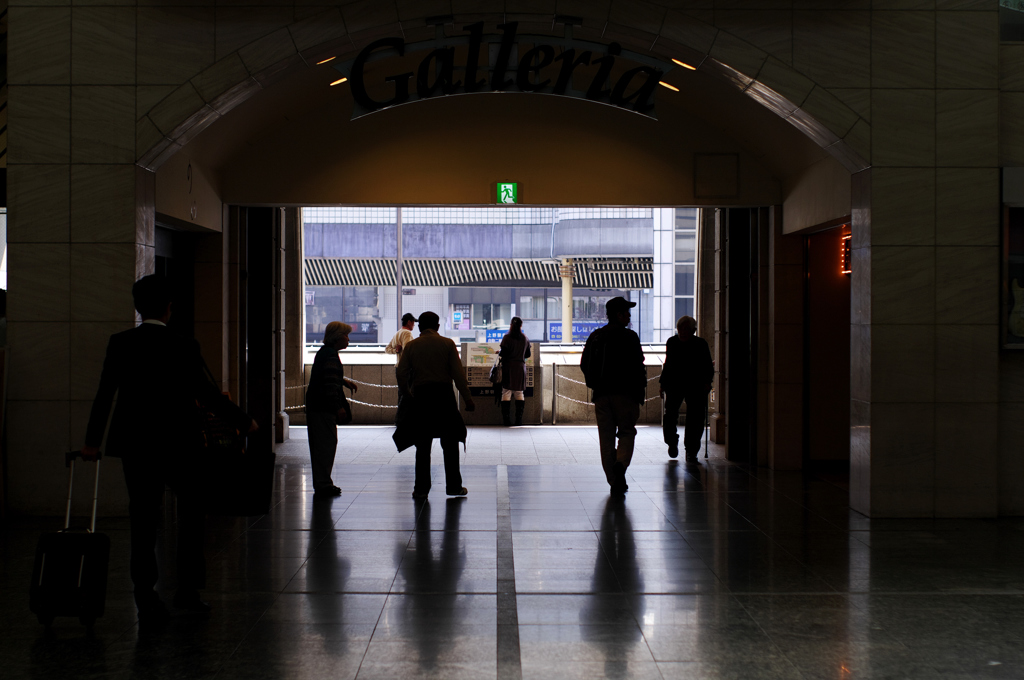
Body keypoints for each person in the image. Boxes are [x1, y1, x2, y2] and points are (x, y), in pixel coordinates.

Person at [82, 275, 257, 624]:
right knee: (191, 516)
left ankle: (145, 596)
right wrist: (242, 421)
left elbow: (105, 394)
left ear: (137, 306)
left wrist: (92, 441)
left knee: (143, 519)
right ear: (168, 307)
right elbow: (206, 392)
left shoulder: (120, 343)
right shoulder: (184, 345)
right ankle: (188, 591)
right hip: (181, 444)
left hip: (136, 445)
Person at [394, 311, 476, 499]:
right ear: (438, 327)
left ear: (420, 326)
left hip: (421, 398)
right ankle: (454, 486)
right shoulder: (447, 344)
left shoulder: (412, 346)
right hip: (444, 397)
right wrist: (467, 399)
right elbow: (458, 375)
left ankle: (421, 489)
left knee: (422, 446)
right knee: (450, 443)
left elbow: (401, 374)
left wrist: (407, 394)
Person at [580, 297, 646, 496]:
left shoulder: (597, 336)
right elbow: (638, 365)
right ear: (618, 314)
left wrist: (594, 384)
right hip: (626, 395)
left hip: (601, 395)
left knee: (606, 438)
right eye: (627, 312)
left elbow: (584, 364)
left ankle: (614, 481)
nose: (629, 315)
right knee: (626, 432)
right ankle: (621, 464)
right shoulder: (630, 337)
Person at [305, 321, 358, 498]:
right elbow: (328, 384)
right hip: (323, 407)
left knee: (322, 444)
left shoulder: (325, 353)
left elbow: (327, 375)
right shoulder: (330, 355)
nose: (348, 339)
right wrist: (338, 407)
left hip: (316, 406)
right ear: (337, 337)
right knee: (325, 445)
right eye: (346, 335)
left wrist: (343, 381)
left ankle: (323, 482)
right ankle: (323, 484)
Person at [660, 315, 714, 463]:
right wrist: (662, 384)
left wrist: (707, 382)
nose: (682, 332)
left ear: (693, 331)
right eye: (680, 329)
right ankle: (671, 441)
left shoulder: (700, 344)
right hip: (674, 385)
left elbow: (707, 365)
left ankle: (691, 450)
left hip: (695, 386)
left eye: (686, 329)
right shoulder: (672, 342)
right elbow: (668, 364)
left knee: (695, 419)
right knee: (669, 416)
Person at [498, 316, 531, 426]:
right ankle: (519, 420)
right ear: (521, 325)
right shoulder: (525, 338)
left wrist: (500, 352)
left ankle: (506, 420)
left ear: (511, 325)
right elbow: (528, 354)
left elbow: (503, 353)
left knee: (506, 392)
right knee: (519, 392)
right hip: (520, 367)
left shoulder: (507, 337)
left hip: (508, 367)